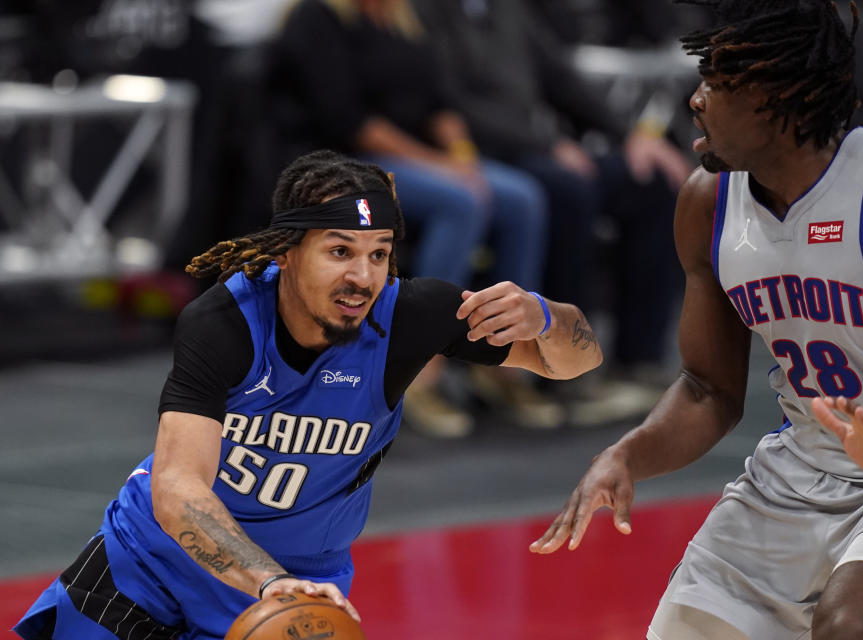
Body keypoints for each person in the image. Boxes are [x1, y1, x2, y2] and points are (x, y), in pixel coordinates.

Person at [14, 150, 602, 640]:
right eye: (340, 251)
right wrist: (263, 579)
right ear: (287, 251)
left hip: (302, 583)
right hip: (153, 566)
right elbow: (176, 487)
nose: (364, 277)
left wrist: (546, 316)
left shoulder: (411, 315)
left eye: (379, 254)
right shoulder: (225, 320)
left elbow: (576, 362)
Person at [531, 2, 863, 639]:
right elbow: (710, 389)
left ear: (778, 97)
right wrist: (626, 454)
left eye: (720, 84)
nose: (696, 100)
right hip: (794, 475)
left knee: (849, 626)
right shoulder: (707, 204)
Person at [267, 0, 557, 436]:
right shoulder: (319, 19)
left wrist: (462, 158)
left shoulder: (404, 19)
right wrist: (442, 166)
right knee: (461, 202)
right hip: (346, 162)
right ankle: (421, 365)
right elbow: (351, 121)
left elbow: (438, 103)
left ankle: (501, 361)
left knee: (522, 198)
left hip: (417, 158)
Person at [413, 0, 692, 423]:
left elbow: (560, 78)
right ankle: (562, 368)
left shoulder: (508, 10)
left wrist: (630, 137)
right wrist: (544, 145)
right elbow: (445, 105)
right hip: (477, 155)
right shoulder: (424, 13)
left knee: (648, 182)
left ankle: (639, 361)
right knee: (568, 191)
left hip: (536, 150)